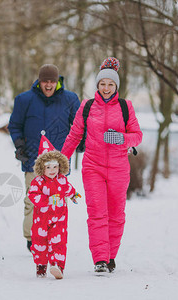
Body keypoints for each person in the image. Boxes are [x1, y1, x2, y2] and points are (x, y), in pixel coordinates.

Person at [61, 57, 143, 273]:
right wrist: (61, 160)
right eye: (103, 84)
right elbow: (74, 135)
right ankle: (100, 260)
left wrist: (122, 138)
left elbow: (137, 136)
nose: (106, 88)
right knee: (97, 213)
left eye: (111, 84)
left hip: (118, 168)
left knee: (116, 215)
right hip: (93, 166)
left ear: (116, 86)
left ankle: (111, 256)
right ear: (97, 85)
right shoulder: (87, 107)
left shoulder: (126, 107)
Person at [8, 64, 80, 251]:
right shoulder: (24, 100)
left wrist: (81, 143)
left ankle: (53, 235)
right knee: (32, 199)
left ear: (57, 82)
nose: (48, 85)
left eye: (52, 81)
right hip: (33, 159)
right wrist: (20, 145)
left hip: (58, 162)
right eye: (44, 81)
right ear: (39, 81)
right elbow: (14, 125)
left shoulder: (70, 99)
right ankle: (32, 238)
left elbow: (80, 125)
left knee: (56, 200)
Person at [27, 132, 80, 279]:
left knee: (59, 241)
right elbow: (32, 195)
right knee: (39, 241)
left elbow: (69, 189)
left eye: (55, 167)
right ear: (41, 168)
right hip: (41, 218)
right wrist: (47, 200)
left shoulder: (62, 180)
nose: (52, 170)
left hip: (59, 218)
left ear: (60, 166)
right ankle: (41, 265)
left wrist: (75, 196)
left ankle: (57, 266)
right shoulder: (38, 182)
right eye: (48, 167)